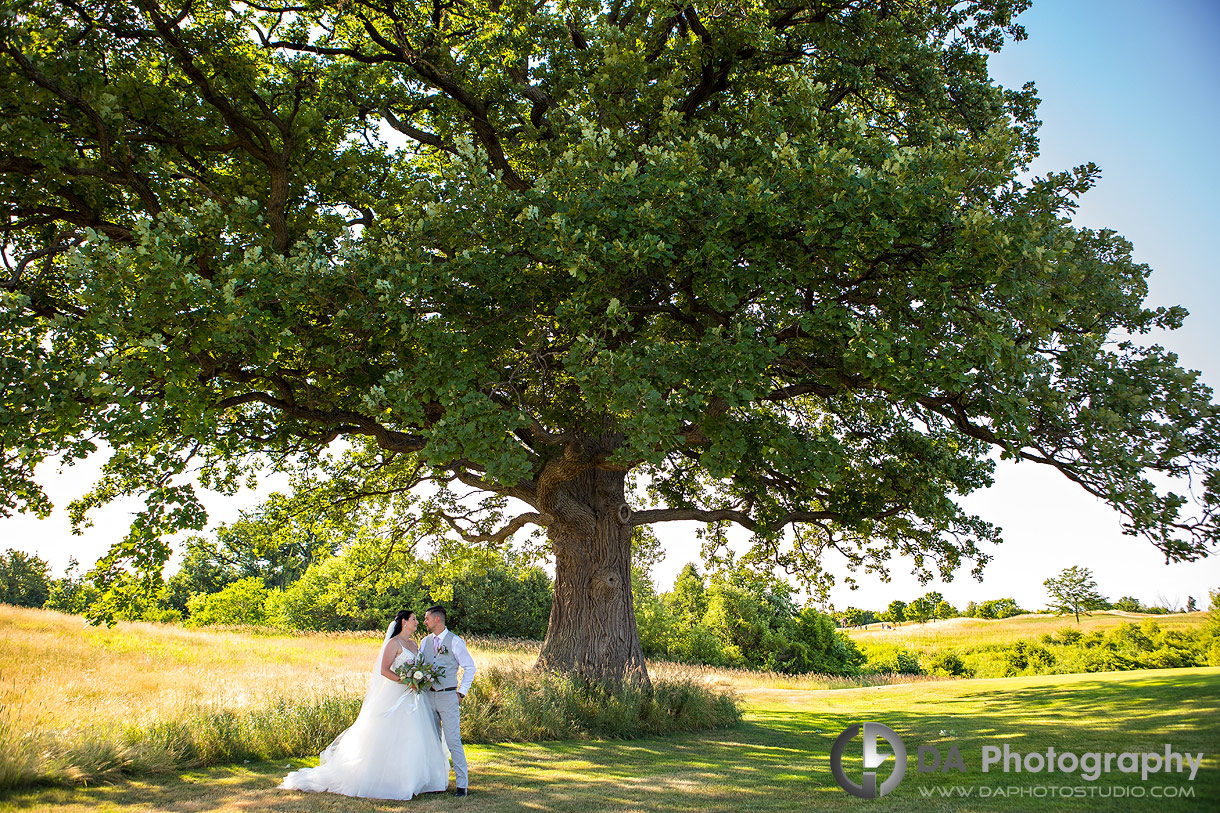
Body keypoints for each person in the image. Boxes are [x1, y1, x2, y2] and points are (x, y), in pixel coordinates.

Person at [278, 610, 449, 800]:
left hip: (416, 697)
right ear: (403, 622)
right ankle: (393, 780)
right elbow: (384, 670)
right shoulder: (394, 644)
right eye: (414, 619)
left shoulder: (414, 644)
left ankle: (418, 780)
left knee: (418, 736)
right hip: (398, 695)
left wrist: (419, 679)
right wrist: (406, 680)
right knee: (395, 736)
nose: (417, 622)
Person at [420, 604, 476, 797]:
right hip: (428, 696)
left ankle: (462, 785)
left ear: (437, 619)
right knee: (432, 741)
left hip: (448, 696)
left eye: (427, 618)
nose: (424, 621)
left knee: (453, 740)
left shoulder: (455, 642)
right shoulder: (424, 642)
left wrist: (462, 693)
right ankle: (436, 782)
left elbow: (470, 667)